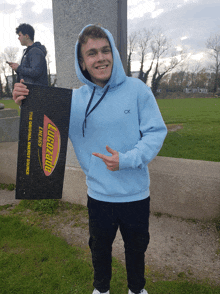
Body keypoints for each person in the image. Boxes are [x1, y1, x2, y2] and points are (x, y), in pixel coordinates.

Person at [13, 25, 167, 294]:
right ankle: (101, 289)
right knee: (99, 248)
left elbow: (155, 133)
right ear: (82, 62)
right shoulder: (73, 99)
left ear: (114, 54)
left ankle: (136, 289)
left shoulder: (138, 90)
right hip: (98, 195)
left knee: (136, 248)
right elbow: (45, 122)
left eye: (105, 50)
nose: (100, 58)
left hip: (135, 194)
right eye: (92, 53)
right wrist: (27, 102)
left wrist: (128, 159)